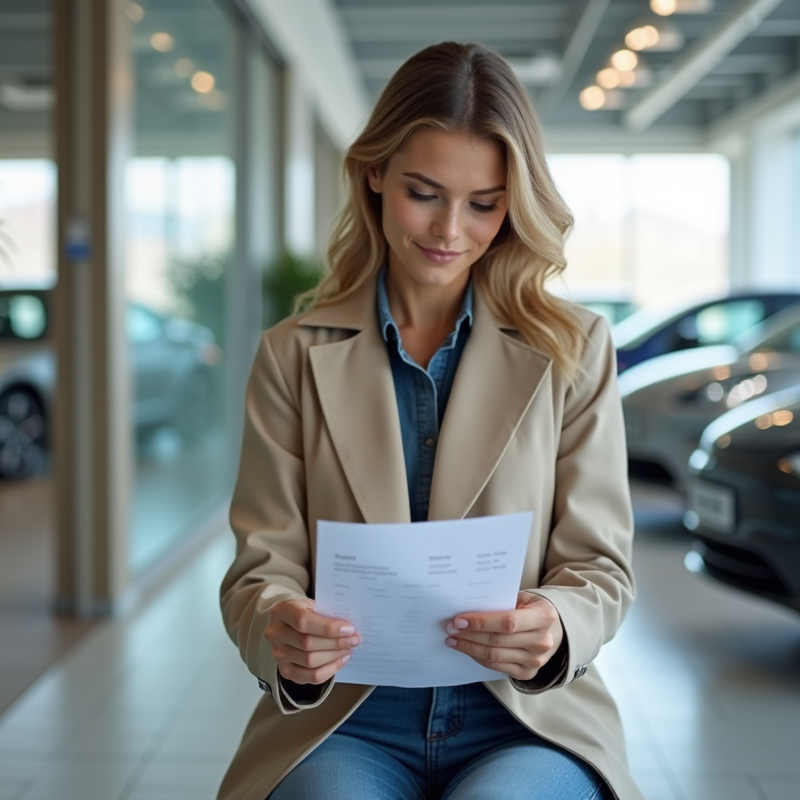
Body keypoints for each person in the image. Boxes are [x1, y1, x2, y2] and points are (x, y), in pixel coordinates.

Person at [218, 41, 639, 800]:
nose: (451, 230)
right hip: (345, 719)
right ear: (374, 174)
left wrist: (557, 619)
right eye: (424, 192)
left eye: (484, 203)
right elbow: (260, 568)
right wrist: (280, 624)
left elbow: (601, 567)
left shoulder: (573, 349)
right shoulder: (291, 354)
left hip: (524, 718)